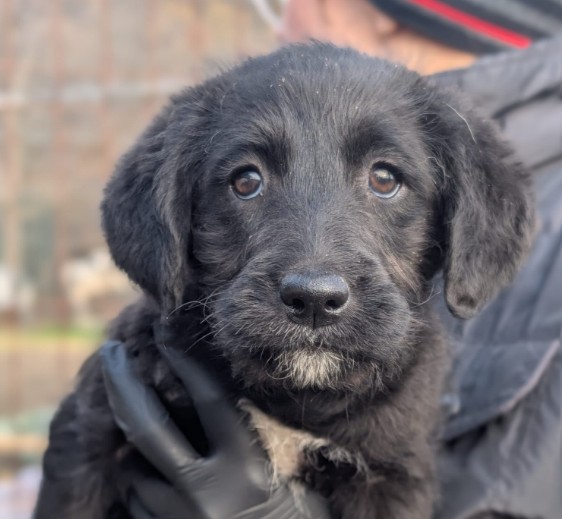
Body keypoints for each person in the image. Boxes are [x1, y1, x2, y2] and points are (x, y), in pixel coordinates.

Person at [101, 1, 562, 518]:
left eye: (385, 179)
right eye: (247, 181)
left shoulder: (469, 161)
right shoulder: (228, 114)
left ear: (387, 12)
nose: (316, 281)